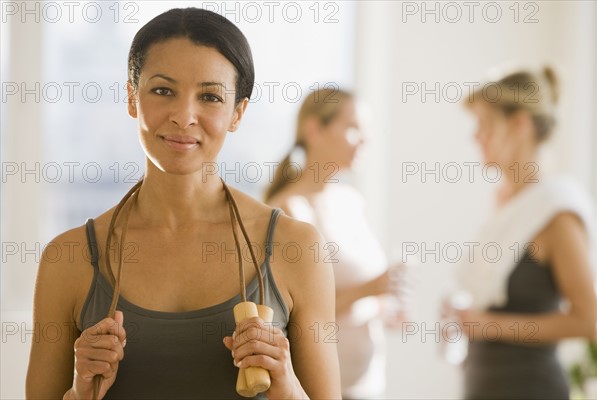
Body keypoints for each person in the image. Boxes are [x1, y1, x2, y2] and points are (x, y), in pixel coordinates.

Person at [25, 8, 341, 400]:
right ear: (131, 96)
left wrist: (287, 386)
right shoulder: (68, 258)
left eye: (209, 96)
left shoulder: (298, 249)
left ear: (237, 113)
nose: (183, 116)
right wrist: (79, 392)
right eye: (162, 90)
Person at [452, 66, 597, 399]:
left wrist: (488, 326)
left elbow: (587, 320)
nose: (476, 137)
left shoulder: (555, 212)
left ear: (520, 124)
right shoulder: (505, 205)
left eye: (485, 125)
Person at [265, 88, 406, 398]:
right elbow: (294, 316)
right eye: (354, 128)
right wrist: (370, 289)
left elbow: (359, 292)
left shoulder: (351, 201)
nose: (365, 140)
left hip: (368, 384)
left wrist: (383, 305)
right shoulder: (290, 211)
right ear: (315, 130)